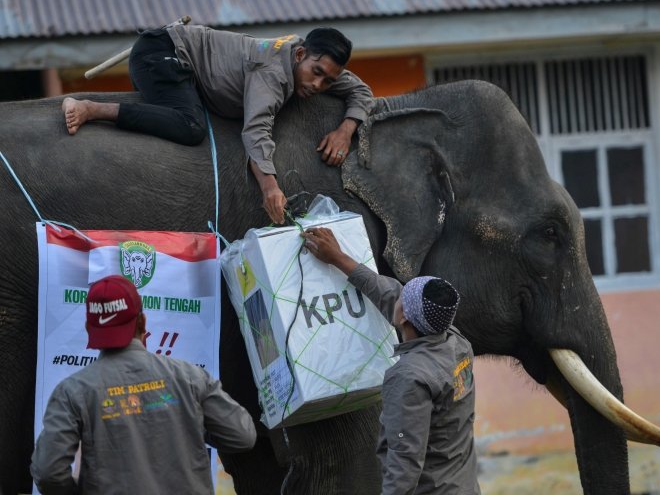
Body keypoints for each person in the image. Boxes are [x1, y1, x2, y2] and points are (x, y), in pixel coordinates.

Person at [62, 25, 375, 224]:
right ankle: (91, 108)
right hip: (162, 53)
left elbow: (361, 90)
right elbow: (255, 130)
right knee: (191, 125)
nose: (318, 84)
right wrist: (270, 186)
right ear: (301, 53)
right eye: (316, 72)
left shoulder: (308, 64)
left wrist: (345, 130)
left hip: (187, 68)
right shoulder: (273, 72)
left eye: (328, 80)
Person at [30, 275, 257, 494]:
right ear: (142, 321)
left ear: (90, 329)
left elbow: (48, 472)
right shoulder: (190, 377)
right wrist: (191, 423)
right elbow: (242, 435)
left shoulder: (72, 392)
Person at [301, 227, 480, 494]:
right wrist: (338, 258)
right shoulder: (455, 341)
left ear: (404, 316)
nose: (397, 296)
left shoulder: (410, 377)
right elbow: (388, 293)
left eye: (403, 297)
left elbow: (404, 464)